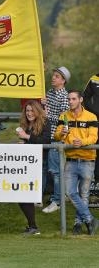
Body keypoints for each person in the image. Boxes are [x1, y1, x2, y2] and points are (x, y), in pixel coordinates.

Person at [54, 90, 99, 235]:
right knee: (70, 192)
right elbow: (56, 135)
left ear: (80, 100)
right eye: (69, 99)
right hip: (71, 159)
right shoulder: (64, 116)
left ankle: (78, 224)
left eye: (73, 99)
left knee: (84, 194)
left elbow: (93, 138)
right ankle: (90, 219)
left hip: (87, 159)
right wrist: (62, 134)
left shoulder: (91, 117)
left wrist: (82, 142)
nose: (70, 101)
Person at [16, 100, 50, 235]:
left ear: (37, 110)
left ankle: (33, 227)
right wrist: (22, 142)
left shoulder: (45, 123)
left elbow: (46, 141)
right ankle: (32, 226)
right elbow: (28, 141)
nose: (29, 113)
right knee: (21, 195)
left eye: (31, 110)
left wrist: (27, 137)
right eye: (27, 111)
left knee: (26, 195)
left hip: (40, 164)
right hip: (27, 165)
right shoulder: (26, 125)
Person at [42, 66, 70, 214]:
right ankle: (49, 197)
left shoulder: (64, 97)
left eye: (57, 76)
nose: (53, 78)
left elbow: (64, 121)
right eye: (53, 75)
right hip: (47, 136)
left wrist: (45, 113)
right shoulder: (50, 93)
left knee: (55, 171)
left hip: (57, 138)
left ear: (63, 81)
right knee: (47, 168)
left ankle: (57, 201)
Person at [83, 73, 99, 180]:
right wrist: (94, 113)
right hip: (96, 122)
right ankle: (95, 181)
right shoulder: (94, 78)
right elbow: (84, 97)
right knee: (95, 150)